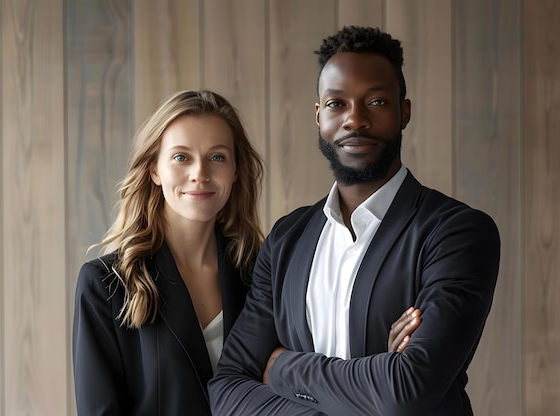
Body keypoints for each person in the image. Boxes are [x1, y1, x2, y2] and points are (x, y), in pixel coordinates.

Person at [208, 26, 500, 416]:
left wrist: (278, 366)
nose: (355, 120)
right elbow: (227, 388)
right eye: (336, 104)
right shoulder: (287, 238)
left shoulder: (456, 232)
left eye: (376, 101)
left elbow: (406, 391)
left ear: (404, 112)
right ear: (319, 116)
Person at [72, 90, 264, 415]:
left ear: (235, 170)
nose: (199, 173)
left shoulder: (261, 275)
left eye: (217, 157)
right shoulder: (104, 285)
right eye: (181, 157)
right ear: (154, 170)